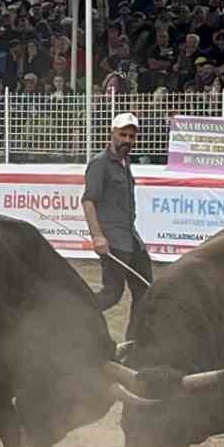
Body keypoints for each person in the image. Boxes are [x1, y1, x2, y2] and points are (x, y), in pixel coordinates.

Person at [83, 112, 153, 318]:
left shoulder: (126, 162)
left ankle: (135, 342)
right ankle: (74, 320)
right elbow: (88, 201)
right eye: (122, 135)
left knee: (146, 289)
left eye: (131, 137)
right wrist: (97, 236)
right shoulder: (100, 163)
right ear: (112, 133)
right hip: (113, 241)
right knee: (112, 294)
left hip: (131, 239)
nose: (127, 140)